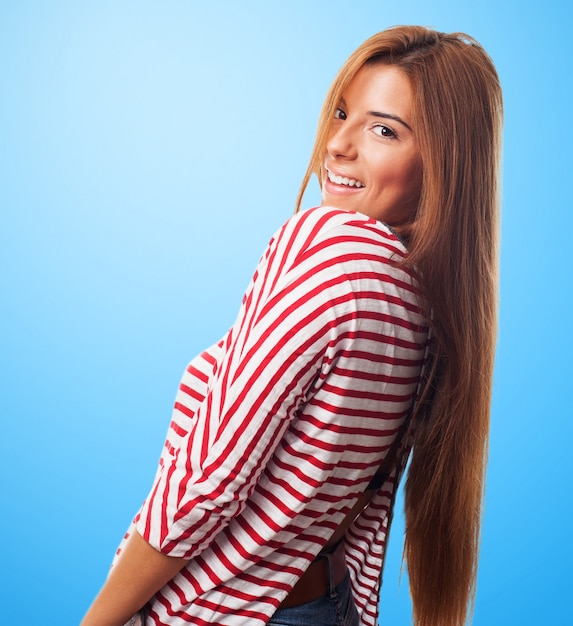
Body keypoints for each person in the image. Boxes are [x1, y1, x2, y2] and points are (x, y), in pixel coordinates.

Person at [82, 25, 503, 626]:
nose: (338, 145)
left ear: (445, 162)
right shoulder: (432, 311)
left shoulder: (326, 244)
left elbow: (208, 480)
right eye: (342, 114)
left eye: (384, 130)